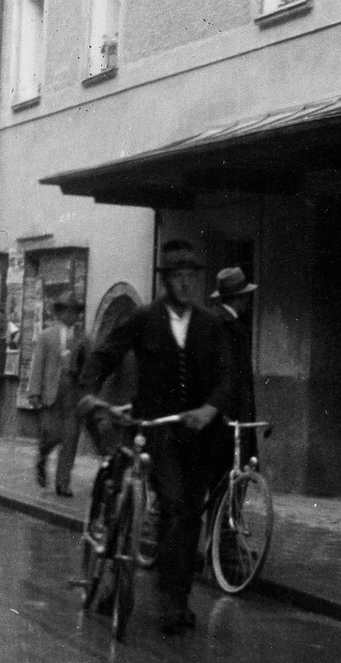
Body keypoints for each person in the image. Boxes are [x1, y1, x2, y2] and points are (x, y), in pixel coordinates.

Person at [81, 239, 231, 635]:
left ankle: (179, 599)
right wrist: (91, 393)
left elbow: (227, 377)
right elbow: (104, 355)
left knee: (190, 514)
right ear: (166, 281)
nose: (185, 284)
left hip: (197, 432)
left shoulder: (210, 323)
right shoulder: (144, 318)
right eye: (178, 277)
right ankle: (168, 601)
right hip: (158, 429)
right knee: (175, 505)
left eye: (190, 277)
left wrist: (209, 409)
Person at [26, 294, 90, 496]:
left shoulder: (84, 338)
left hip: (73, 392)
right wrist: (34, 392)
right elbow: (38, 365)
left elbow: (90, 366)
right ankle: (42, 458)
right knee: (52, 434)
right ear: (60, 312)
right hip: (52, 393)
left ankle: (63, 483)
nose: (71, 315)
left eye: (75, 312)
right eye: (66, 311)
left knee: (70, 438)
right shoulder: (47, 336)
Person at [211, 266, 259, 465]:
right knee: (231, 473)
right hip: (230, 411)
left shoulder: (213, 319)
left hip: (219, 410)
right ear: (240, 298)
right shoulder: (230, 325)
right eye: (246, 297)